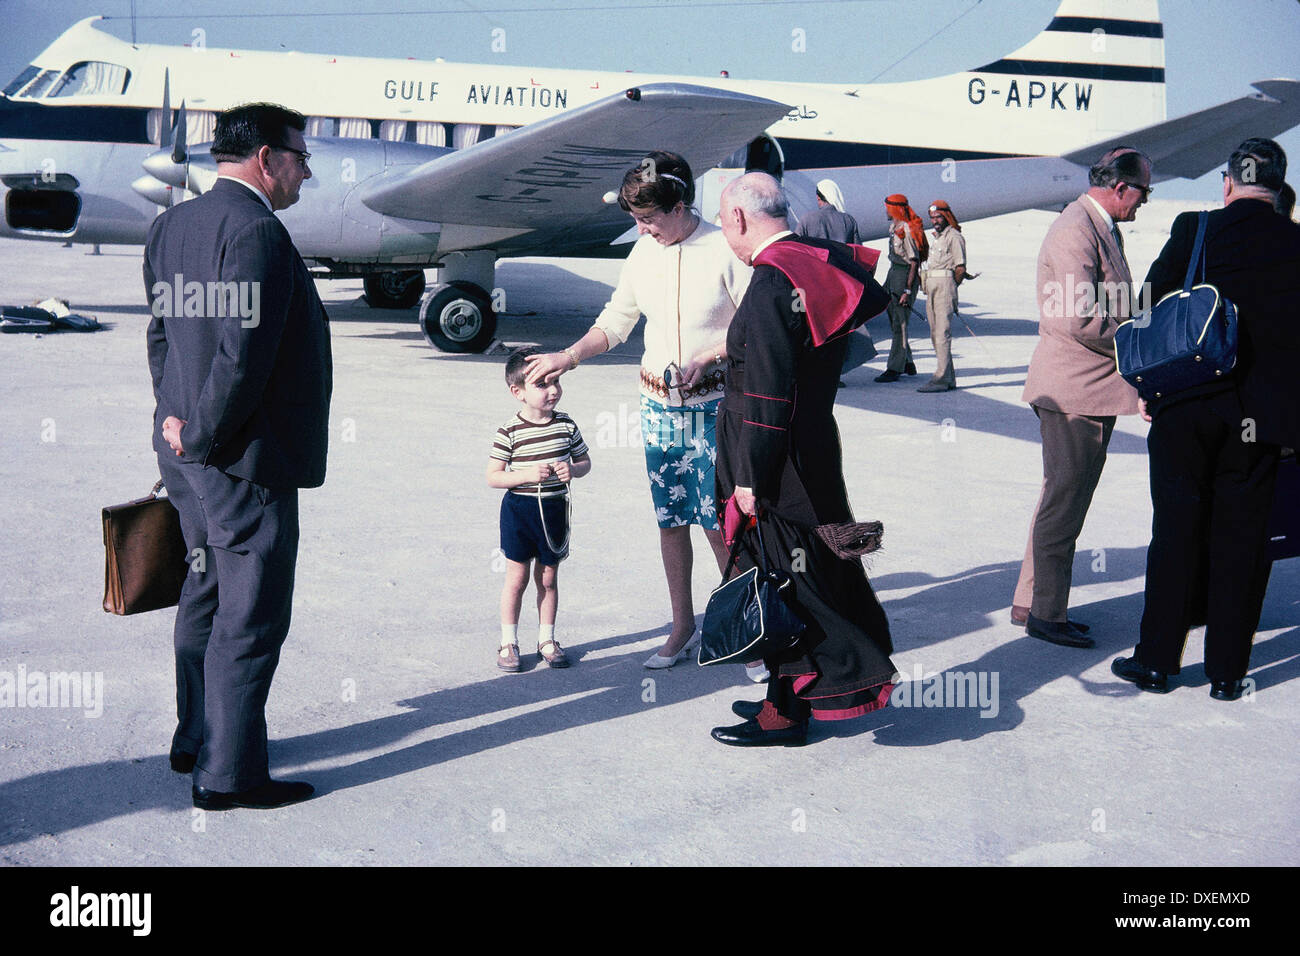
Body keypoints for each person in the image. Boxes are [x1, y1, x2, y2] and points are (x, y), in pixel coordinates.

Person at [144, 102, 332, 811]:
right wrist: (200, 434)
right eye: (300, 157)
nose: (305, 171)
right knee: (249, 617)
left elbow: (162, 338)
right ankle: (228, 775)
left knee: (204, 592)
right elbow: (242, 359)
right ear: (264, 158)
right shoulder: (257, 232)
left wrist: (172, 421)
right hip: (239, 460)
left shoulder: (170, 228)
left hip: (187, 458)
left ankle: (196, 734)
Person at [525, 151, 751, 670]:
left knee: (721, 522)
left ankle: (742, 625)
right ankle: (682, 625)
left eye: (650, 218)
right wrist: (570, 355)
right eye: (635, 220)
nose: (642, 229)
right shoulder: (644, 252)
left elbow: (752, 327)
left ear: (680, 205)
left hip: (715, 409)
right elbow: (617, 320)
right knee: (671, 520)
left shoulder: (723, 249)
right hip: (658, 409)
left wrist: (710, 355)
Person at [710, 172, 896, 747]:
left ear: (740, 218)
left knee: (790, 582)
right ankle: (781, 699)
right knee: (794, 576)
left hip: (778, 463)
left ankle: (790, 713)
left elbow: (767, 401)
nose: (725, 235)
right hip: (812, 444)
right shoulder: (813, 261)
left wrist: (749, 479)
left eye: (722, 223)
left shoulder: (770, 284)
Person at [1113, 138, 1300, 700]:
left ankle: (1157, 661)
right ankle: (1226, 671)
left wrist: (1149, 388)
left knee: (1174, 533)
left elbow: (1143, 307)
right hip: (1260, 422)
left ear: (1226, 183)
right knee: (1244, 541)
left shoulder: (1193, 230)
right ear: (1278, 187)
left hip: (1186, 408)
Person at [1010, 146, 1149, 647]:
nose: (1144, 203)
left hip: (1085, 389)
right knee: (1064, 503)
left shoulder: (1096, 227)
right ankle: (1048, 613)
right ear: (1120, 188)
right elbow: (1079, 318)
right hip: (1075, 393)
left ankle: (1031, 600)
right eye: (1144, 193)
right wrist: (1139, 342)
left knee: (1059, 497)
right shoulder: (1076, 229)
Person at [488, 348, 592, 672]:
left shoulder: (566, 425)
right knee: (516, 580)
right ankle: (509, 641)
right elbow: (493, 476)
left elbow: (584, 462)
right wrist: (525, 475)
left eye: (556, 382)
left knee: (548, 579)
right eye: (542, 385)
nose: (553, 391)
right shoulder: (510, 431)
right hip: (520, 510)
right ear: (517, 392)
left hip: (554, 510)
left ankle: (546, 639)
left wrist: (572, 471)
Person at [916, 199, 977, 392]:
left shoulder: (954, 237)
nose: (935, 221)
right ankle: (949, 377)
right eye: (932, 218)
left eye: (938, 217)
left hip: (944, 287)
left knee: (942, 333)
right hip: (932, 287)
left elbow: (960, 267)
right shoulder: (938, 237)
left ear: (946, 216)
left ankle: (940, 378)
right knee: (935, 334)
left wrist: (951, 287)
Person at [795, 179, 861, 244]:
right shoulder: (849, 220)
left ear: (818, 197)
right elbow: (859, 250)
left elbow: (794, 246)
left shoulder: (807, 219)